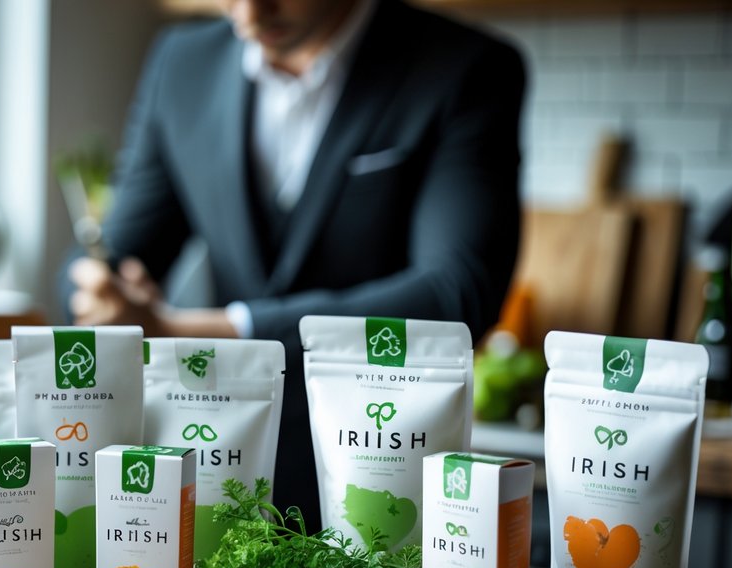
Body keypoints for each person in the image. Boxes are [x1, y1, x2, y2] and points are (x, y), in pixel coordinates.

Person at [62, 0, 527, 529]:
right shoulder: (182, 62)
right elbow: (118, 250)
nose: (250, 14)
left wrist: (219, 330)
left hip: (381, 493)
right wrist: (98, 292)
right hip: (214, 486)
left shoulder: (465, 67)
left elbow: (456, 292)